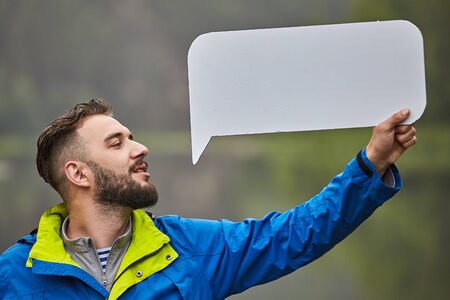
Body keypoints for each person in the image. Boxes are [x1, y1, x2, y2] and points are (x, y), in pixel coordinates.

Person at [0, 98, 417, 299]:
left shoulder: (191, 250)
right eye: (116, 143)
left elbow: (295, 235)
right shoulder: (14, 275)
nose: (140, 148)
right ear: (78, 173)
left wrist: (370, 164)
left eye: (133, 137)